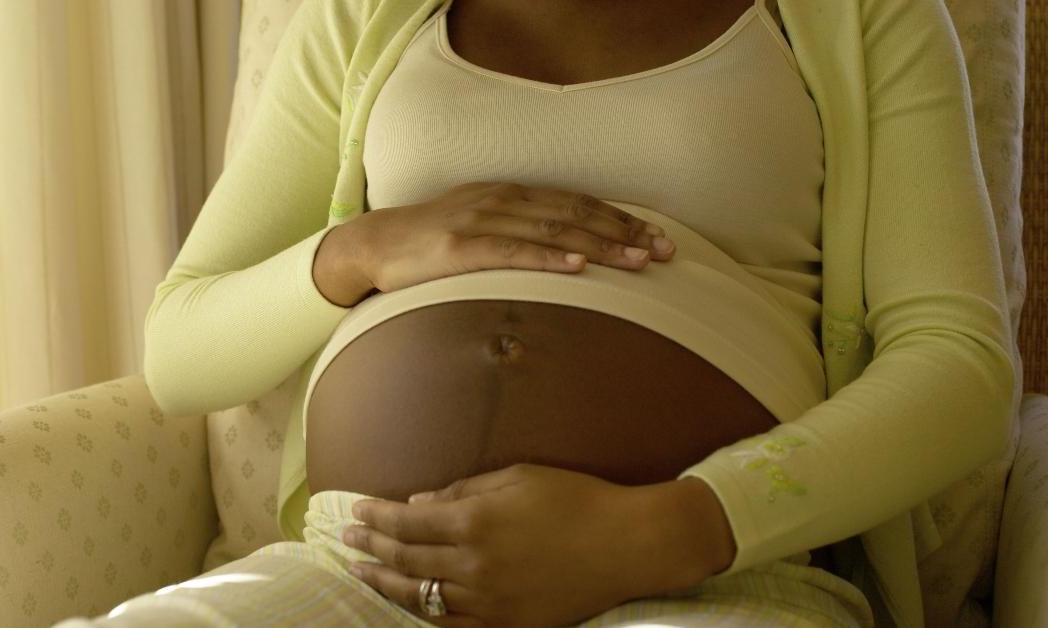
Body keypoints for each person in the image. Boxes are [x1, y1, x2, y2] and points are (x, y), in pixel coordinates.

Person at [53, 0, 1016, 626]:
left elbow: (961, 364)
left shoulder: (862, 15)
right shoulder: (363, 16)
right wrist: (365, 248)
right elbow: (182, 349)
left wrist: (670, 528)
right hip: (365, 572)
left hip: (705, 581)